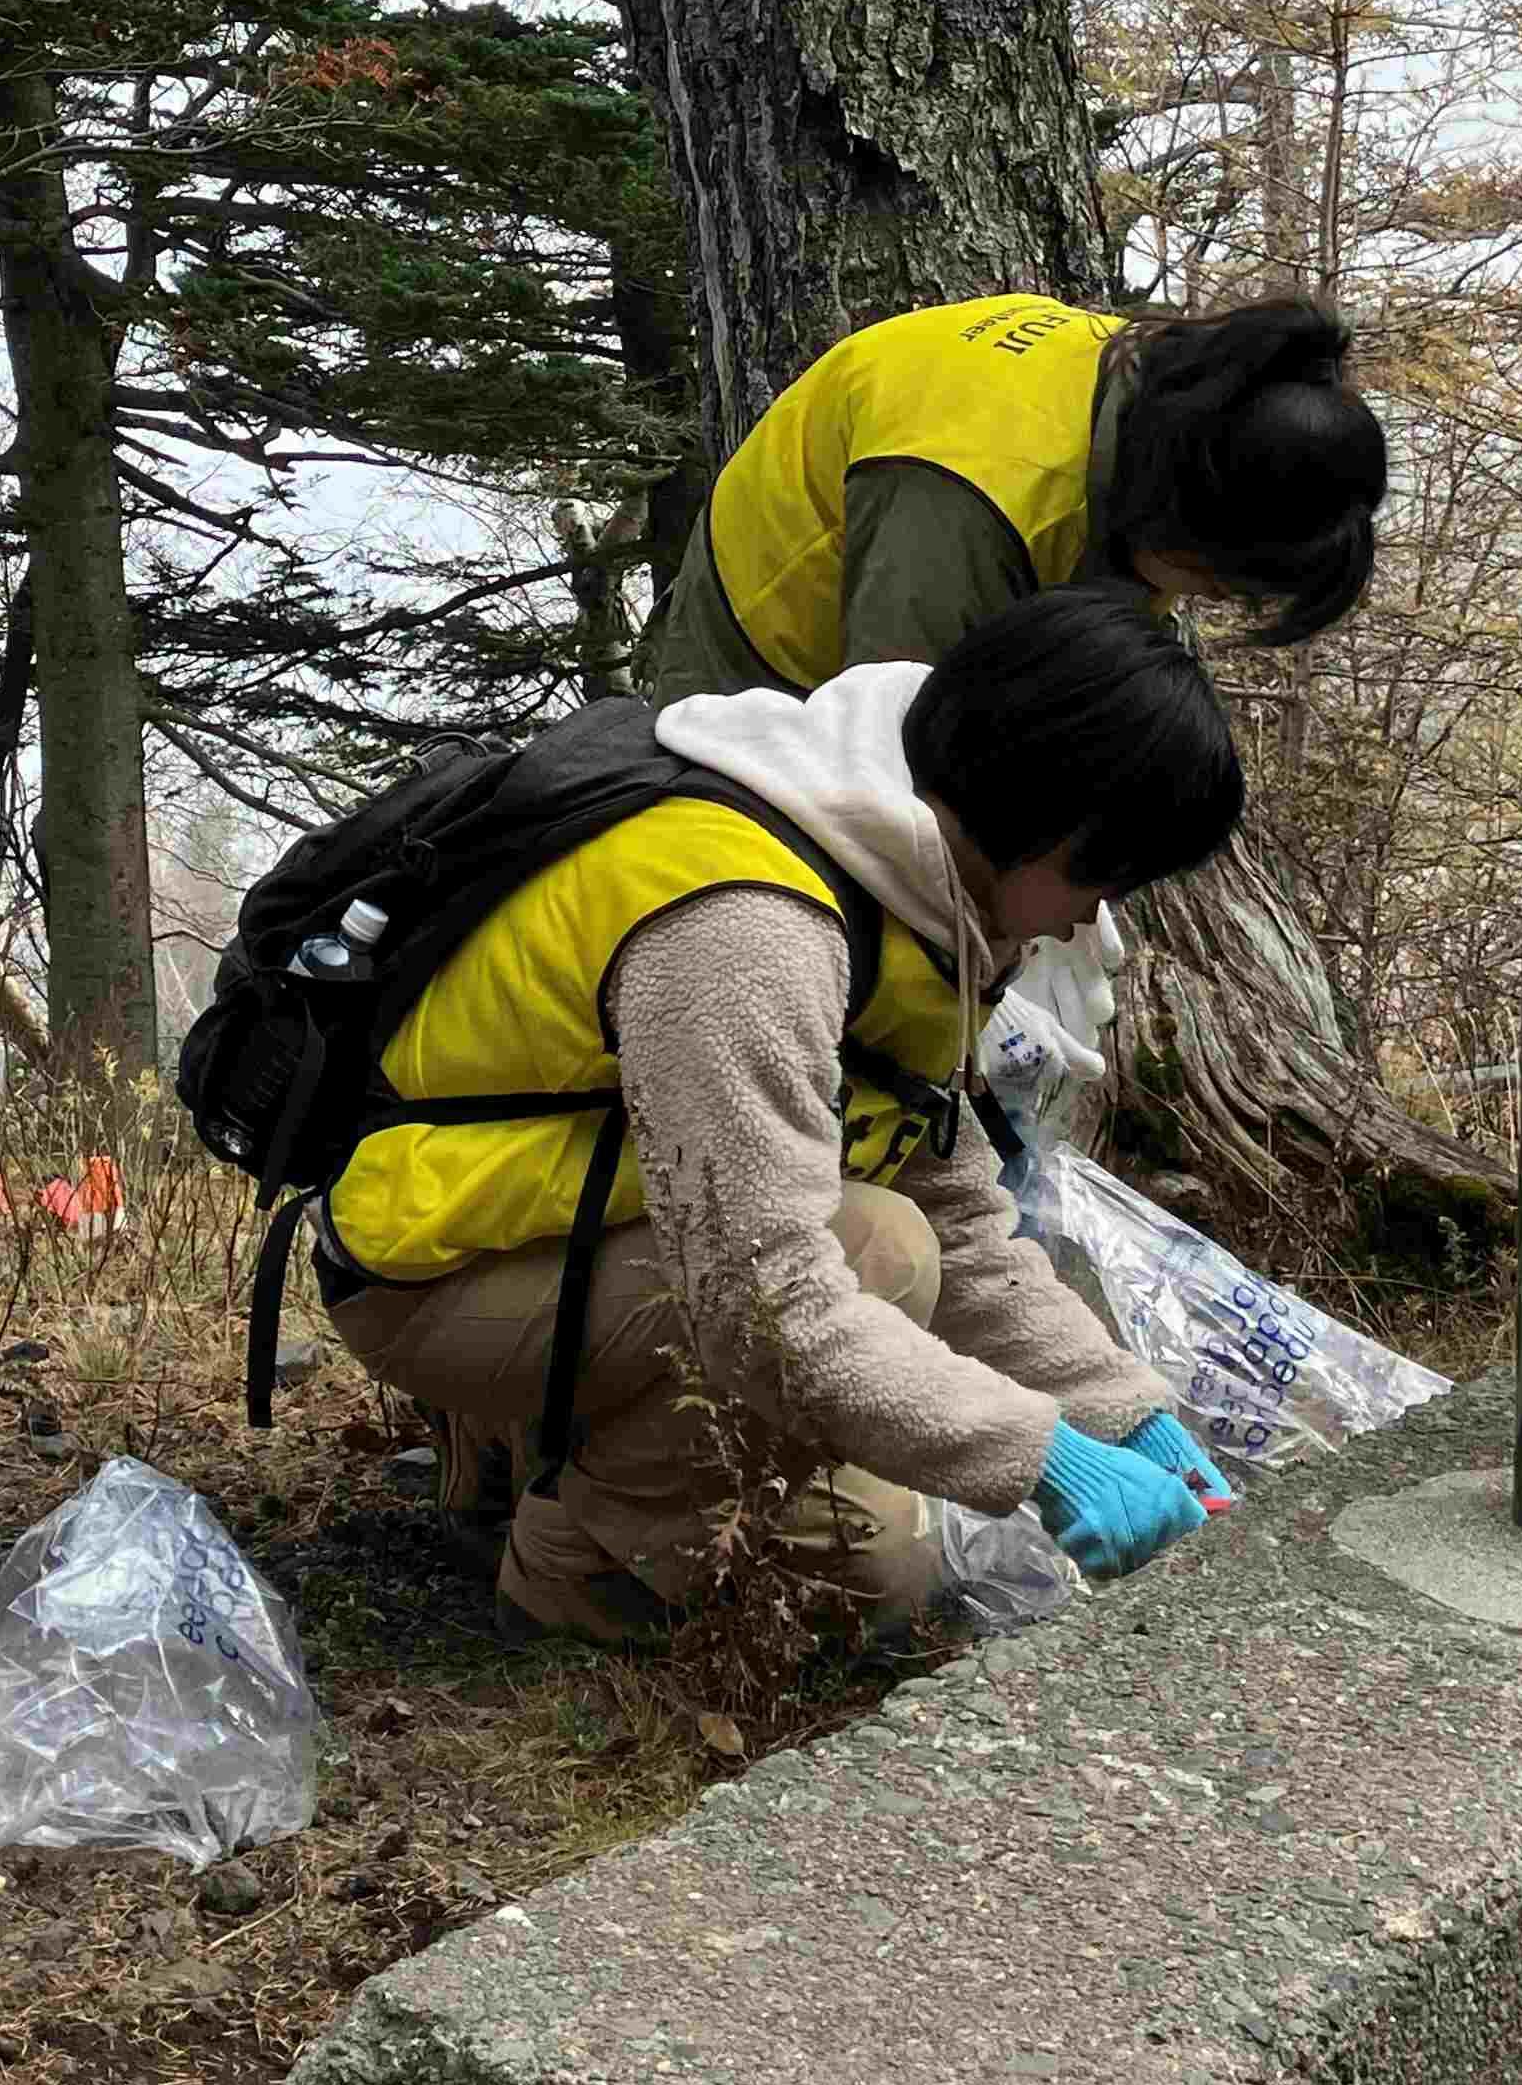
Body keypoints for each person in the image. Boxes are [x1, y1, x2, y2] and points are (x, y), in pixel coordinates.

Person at [315, 582, 1248, 1648]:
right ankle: (567, 1562)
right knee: (879, 1296)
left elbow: (959, 1217)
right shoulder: (749, 928)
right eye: (1105, 877)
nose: (1091, 919)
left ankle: (525, 1437)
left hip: (591, 1243)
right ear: (1049, 823)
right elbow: (767, 1306)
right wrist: (1046, 1457)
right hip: (439, 1272)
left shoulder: (905, 887)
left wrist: (1126, 1412)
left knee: (886, 1499)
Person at [648, 290, 1389, 707]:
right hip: (760, 662)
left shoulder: (1180, 403)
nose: (1210, 600)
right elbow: (891, 769)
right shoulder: (963, 506)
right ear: (1181, 514)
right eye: (1218, 583)